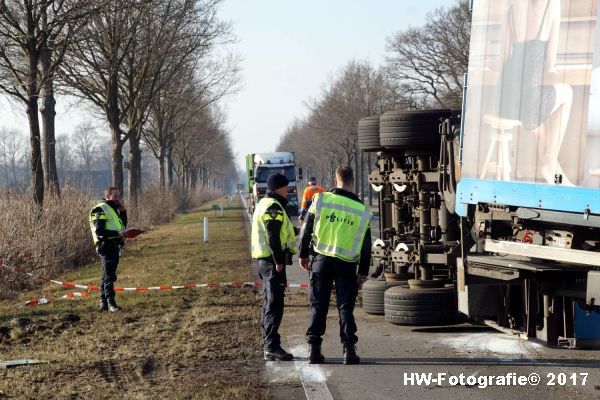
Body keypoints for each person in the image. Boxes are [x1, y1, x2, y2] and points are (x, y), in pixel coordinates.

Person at [299, 166, 372, 365]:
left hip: (321, 260)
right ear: (353, 180)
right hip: (346, 264)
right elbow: (366, 246)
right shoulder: (362, 211)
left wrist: (303, 253)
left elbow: (307, 228)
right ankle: (349, 351)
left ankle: (314, 350)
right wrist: (363, 272)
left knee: (318, 305)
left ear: (335, 179)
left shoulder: (322, 200)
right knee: (345, 307)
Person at [496, 0, 573, 184]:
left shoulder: (509, 10)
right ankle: (550, 165)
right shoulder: (552, 4)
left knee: (544, 123)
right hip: (527, 102)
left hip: (506, 98)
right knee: (567, 93)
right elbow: (550, 63)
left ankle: (554, 171)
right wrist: (552, 69)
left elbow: (503, 58)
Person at [251, 173, 298, 361]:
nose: (288, 189)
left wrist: (297, 232)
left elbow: (278, 230)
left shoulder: (264, 203)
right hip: (272, 263)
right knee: (274, 305)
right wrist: (278, 260)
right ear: (279, 187)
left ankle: (269, 342)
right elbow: (272, 235)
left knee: (269, 302)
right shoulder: (273, 206)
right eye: (285, 186)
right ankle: (271, 346)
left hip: (265, 262)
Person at [89, 187, 128, 312]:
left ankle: (103, 302)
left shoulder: (113, 209)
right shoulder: (100, 209)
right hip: (106, 246)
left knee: (106, 275)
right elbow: (99, 230)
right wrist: (118, 233)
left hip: (114, 245)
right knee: (109, 276)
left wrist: (123, 211)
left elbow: (122, 226)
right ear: (107, 196)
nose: (118, 199)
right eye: (115, 196)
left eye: (119, 196)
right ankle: (111, 303)